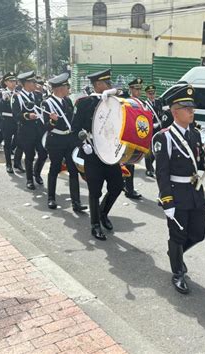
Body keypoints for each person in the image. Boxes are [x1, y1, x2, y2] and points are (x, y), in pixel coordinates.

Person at [153, 83, 205, 294]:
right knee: (177, 235)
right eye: (187, 108)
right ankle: (177, 272)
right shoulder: (164, 137)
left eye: (192, 107)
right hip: (176, 193)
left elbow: (199, 162)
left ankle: (175, 254)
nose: (191, 111)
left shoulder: (195, 134)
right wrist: (167, 201)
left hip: (195, 192)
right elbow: (162, 173)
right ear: (175, 112)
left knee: (198, 233)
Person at [72, 69, 124, 240]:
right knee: (94, 191)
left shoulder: (113, 100)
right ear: (97, 85)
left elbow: (124, 93)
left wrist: (113, 92)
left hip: (110, 152)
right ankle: (95, 224)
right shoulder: (84, 103)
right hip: (92, 151)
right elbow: (75, 129)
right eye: (105, 83)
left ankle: (103, 212)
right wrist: (82, 143)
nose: (109, 85)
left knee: (117, 186)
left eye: (109, 83)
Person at [42, 73, 87, 212]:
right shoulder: (47, 103)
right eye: (67, 86)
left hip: (69, 139)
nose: (69, 89)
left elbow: (72, 120)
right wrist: (53, 120)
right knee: (55, 168)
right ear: (60, 88)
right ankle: (51, 198)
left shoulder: (67, 101)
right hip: (55, 140)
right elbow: (46, 127)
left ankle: (76, 202)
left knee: (73, 171)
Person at [12, 71, 47, 190]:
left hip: (39, 130)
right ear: (25, 84)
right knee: (29, 155)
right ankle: (29, 179)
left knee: (43, 153)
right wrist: (27, 115)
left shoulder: (37, 95)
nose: (34, 84)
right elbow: (16, 114)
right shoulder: (17, 97)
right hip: (26, 130)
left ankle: (36, 173)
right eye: (32, 82)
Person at [121, 77, 145, 199]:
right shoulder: (125, 101)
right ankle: (126, 188)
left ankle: (127, 187)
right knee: (125, 163)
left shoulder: (140, 102)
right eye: (136, 89)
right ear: (131, 89)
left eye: (140, 89)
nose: (139, 92)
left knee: (130, 163)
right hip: (125, 137)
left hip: (134, 137)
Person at [143, 84, 163, 177]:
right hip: (150, 130)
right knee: (149, 151)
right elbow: (143, 118)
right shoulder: (145, 105)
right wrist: (151, 125)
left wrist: (160, 123)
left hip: (158, 129)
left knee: (157, 149)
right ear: (146, 94)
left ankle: (151, 166)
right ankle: (149, 169)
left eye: (153, 93)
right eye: (150, 94)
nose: (152, 95)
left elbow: (162, 114)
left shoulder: (158, 102)